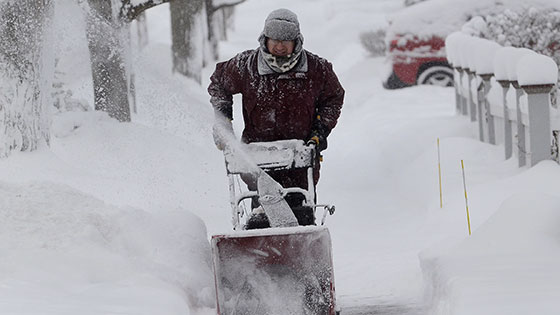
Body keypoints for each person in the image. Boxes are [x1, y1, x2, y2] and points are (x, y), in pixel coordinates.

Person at [208, 8, 345, 227]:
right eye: (274, 40)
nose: (279, 46)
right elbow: (218, 84)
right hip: (257, 160)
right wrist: (223, 120)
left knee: (301, 213)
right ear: (265, 39)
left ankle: (303, 253)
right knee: (261, 216)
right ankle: (259, 254)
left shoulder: (316, 69)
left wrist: (320, 132)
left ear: (296, 42)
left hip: (300, 159)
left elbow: (333, 98)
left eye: (286, 40)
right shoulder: (247, 66)